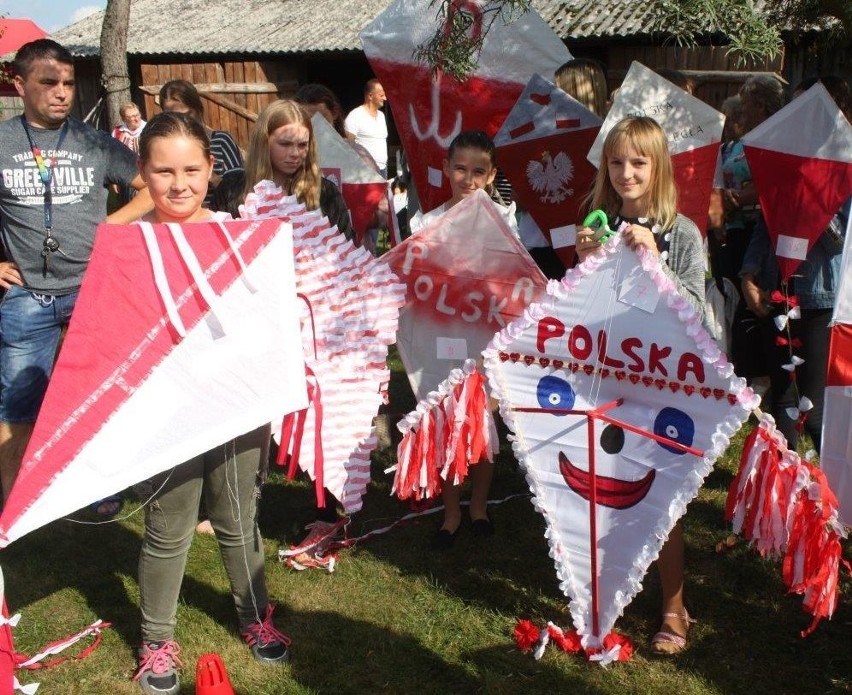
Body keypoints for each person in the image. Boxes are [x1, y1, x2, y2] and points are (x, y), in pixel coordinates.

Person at [132, 112, 290, 695]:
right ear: (142, 173)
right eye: (164, 171)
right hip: (165, 408)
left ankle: (254, 616)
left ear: (211, 170)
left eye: (191, 169)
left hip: (235, 400)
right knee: (169, 525)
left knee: (236, 513)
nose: (179, 184)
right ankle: (155, 640)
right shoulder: (130, 245)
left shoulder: (238, 235)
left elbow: (271, 317)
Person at [0, 39, 151, 507]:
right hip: (27, 295)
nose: (63, 92)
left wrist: (112, 225)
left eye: (67, 82)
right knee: (17, 408)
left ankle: (100, 486)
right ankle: (14, 506)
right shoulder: (3, 141)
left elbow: (149, 186)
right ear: (19, 84)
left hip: (94, 287)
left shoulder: (93, 141)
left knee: (100, 396)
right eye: (49, 82)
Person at [575, 116, 705, 655]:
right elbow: (582, 315)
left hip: (666, 385)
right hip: (609, 378)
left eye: (638, 162)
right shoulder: (596, 223)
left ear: (659, 166)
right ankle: (612, 596)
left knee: (663, 497)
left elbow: (699, 315)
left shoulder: (683, 231)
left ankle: (674, 606)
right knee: (607, 491)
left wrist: (655, 259)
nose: (625, 173)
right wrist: (583, 267)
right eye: (616, 161)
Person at [410, 130, 516, 549]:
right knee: (447, 418)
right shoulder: (425, 223)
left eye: (478, 171)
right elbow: (413, 279)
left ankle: (479, 505)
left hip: (487, 338)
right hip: (441, 336)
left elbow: (515, 281)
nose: (468, 179)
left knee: (484, 421)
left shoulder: (505, 222)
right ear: (445, 169)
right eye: (460, 169)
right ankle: (451, 510)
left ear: (491, 176)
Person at [739, 75, 849, 454]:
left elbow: (840, 243)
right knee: (782, 395)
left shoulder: (844, 168)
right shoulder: (783, 165)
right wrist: (748, 275)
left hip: (818, 297)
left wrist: (814, 197)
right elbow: (764, 227)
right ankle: (786, 482)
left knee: (814, 405)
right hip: (776, 291)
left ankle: (832, 487)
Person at [158, 79, 243, 208]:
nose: (181, 121)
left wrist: (208, 175)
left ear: (198, 109)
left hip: (217, 218)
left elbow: (238, 192)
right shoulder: (161, 148)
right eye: (173, 116)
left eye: (187, 114)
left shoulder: (220, 141)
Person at [344, 79, 389, 177]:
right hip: (365, 172)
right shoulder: (355, 115)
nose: (385, 98)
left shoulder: (381, 116)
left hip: (383, 169)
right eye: (381, 95)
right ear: (370, 96)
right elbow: (347, 145)